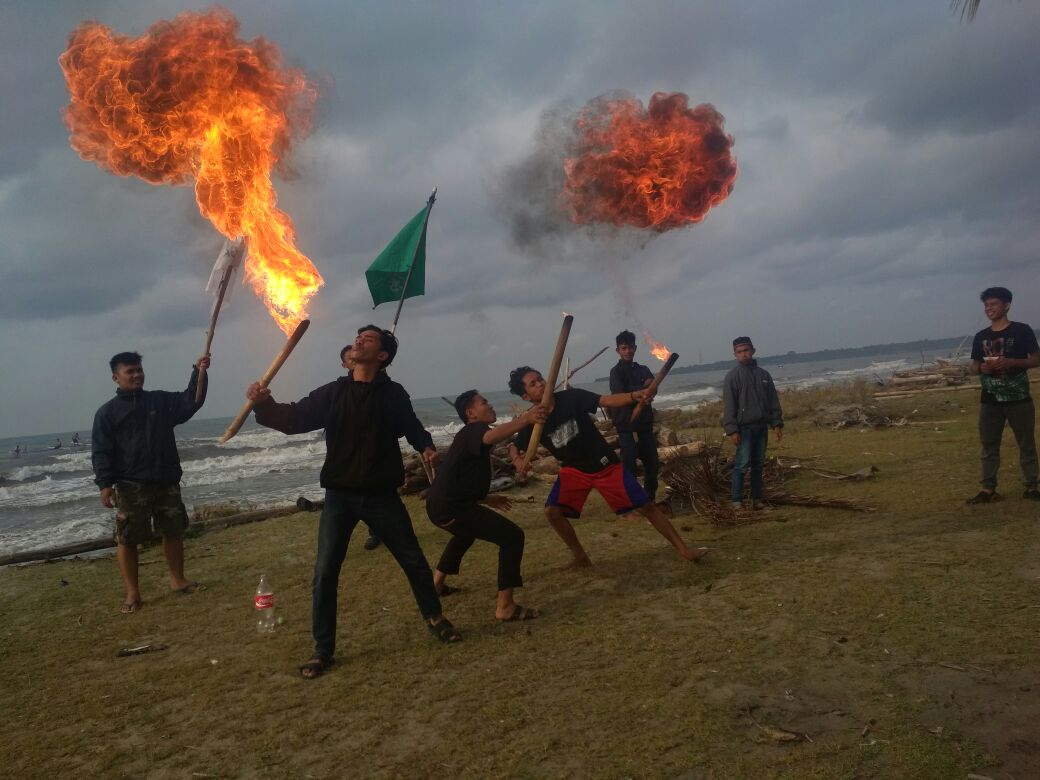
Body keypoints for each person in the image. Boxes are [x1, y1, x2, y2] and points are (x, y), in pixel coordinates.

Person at [247, 325, 460, 680]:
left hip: (381, 496)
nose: (359, 339)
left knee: (413, 561)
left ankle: (435, 617)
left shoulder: (392, 394)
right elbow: (294, 418)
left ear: (382, 356)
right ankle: (322, 650)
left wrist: (426, 445)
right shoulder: (334, 392)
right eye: (358, 336)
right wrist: (264, 403)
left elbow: (410, 424)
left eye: (369, 338)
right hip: (340, 497)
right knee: (325, 572)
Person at [506, 367, 708, 567]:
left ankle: (685, 550)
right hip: (574, 470)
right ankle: (581, 557)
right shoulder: (533, 421)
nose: (541, 383)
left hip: (604, 465)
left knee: (647, 506)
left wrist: (632, 396)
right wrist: (517, 461)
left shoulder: (571, 397)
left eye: (540, 378)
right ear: (526, 396)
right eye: (533, 384)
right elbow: (514, 446)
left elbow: (606, 400)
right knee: (552, 512)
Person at [91, 351, 210, 614]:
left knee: (173, 531)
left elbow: (192, 400)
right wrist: (105, 484)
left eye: (139, 370)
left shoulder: (160, 401)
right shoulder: (107, 413)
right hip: (130, 485)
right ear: (115, 377)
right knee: (128, 539)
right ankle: (133, 593)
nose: (136, 375)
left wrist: (199, 372)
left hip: (166, 479)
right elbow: (101, 451)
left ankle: (178, 581)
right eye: (129, 371)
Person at [426, 390, 549, 621]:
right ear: (471, 413)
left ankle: (436, 586)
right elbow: (491, 437)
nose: (490, 405)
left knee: (465, 535)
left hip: (443, 506)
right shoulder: (474, 430)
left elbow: (460, 478)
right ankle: (505, 607)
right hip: (452, 508)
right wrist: (525, 419)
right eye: (484, 403)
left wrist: (486, 498)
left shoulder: (468, 436)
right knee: (512, 537)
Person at [967, 287, 1040, 503]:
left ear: (1006, 305)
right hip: (990, 400)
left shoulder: (1021, 331)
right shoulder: (981, 336)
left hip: (1019, 398)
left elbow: (1036, 359)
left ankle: (1032, 486)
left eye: (994, 304)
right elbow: (974, 366)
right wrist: (983, 369)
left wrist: (1012, 362)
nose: (989, 309)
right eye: (986, 305)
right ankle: (988, 489)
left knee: (1026, 442)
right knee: (989, 444)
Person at [723, 337, 783, 512]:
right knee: (741, 465)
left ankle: (757, 500)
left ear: (753, 351)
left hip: (761, 427)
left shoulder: (764, 375)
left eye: (746, 350)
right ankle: (736, 501)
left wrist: (777, 423)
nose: (744, 354)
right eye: (740, 352)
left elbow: (773, 401)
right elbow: (729, 405)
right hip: (744, 429)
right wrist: (732, 430)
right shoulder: (732, 377)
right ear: (735, 354)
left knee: (758, 464)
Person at [609, 330, 660, 501]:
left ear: (635, 348)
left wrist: (648, 388)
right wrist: (640, 389)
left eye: (630, 348)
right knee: (629, 464)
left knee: (652, 462)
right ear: (618, 350)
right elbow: (619, 394)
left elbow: (652, 387)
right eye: (624, 348)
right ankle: (631, 500)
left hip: (644, 424)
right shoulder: (616, 372)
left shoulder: (643, 369)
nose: (628, 351)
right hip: (626, 426)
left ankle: (649, 498)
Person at [341, 344, 383, 553]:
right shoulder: (339, 391)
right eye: (349, 359)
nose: (353, 361)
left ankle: (376, 532)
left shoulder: (384, 388)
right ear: (344, 364)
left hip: (377, 462)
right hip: (346, 470)